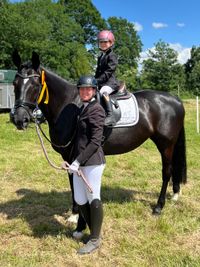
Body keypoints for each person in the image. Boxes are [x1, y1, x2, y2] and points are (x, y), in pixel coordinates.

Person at [68, 75, 106, 255]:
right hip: (79, 163)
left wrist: (78, 161)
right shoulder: (81, 108)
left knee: (93, 198)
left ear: (94, 91)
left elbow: (95, 141)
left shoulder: (96, 109)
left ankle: (95, 239)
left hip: (92, 163)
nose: (84, 91)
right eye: (82, 89)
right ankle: (93, 230)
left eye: (88, 89)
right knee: (80, 200)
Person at [95, 30, 119, 126]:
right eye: (101, 42)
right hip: (101, 82)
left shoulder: (112, 56)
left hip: (110, 83)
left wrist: (97, 81)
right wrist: (92, 80)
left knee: (103, 92)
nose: (103, 44)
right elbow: (97, 72)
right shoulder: (101, 56)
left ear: (111, 42)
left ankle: (110, 116)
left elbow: (109, 71)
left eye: (105, 42)